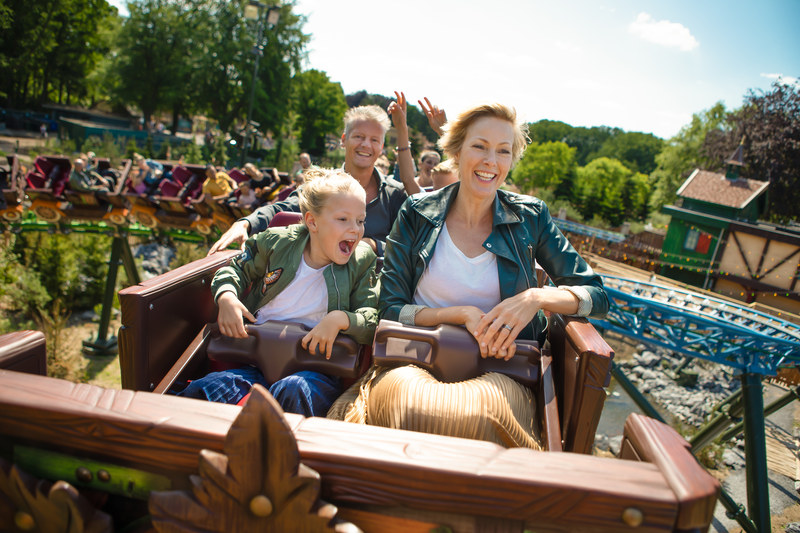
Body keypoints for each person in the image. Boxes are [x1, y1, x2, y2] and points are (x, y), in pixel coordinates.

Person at [328, 103, 608, 449]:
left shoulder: (531, 216)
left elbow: (596, 295)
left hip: (503, 369)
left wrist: (534, 298)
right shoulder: (416, 213)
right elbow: (390, 308)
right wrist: (458, 316)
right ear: (457, 151)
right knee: (411, 405)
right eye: (480, 146)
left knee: (483, 415)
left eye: (503, 151)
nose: (491, 160)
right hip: (416, 357)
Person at [179, 168, 379, 417]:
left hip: (315, 368)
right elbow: (237, 270)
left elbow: (371, 318)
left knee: (292, 391)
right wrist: (227, 296)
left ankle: (278, 451)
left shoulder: (361, 261)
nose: (355, 230)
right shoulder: (277, 243)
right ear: (312, 222)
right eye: (343, 219)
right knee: (206, 389)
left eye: (360, 221)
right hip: (256, 359)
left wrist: (341, 319)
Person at [208, 101, 410, 257]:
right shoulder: (321, 185)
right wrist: (245, 224)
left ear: (381, 147)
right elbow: (282, 208)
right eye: (358, 136)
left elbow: (406, 245)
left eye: (374, 140)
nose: (366, 145)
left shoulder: (394, 194)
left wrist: (373, 245)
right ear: (343, 140)